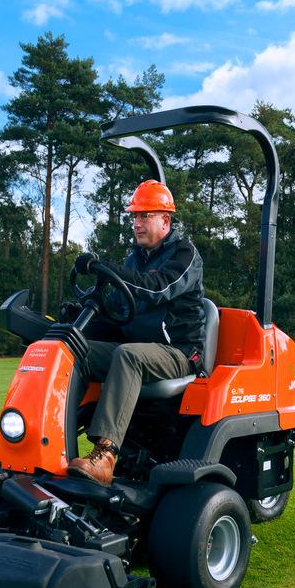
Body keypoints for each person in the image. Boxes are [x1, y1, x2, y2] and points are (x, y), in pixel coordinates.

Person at [67, 179, 206, 486]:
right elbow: (117, 302)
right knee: (73, 350)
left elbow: (158, 288)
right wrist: (86, 305)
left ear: (165, 220)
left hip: (179, 352)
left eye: (145, 216)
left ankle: (104, 454)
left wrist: (111, 270)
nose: (137, 223)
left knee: (127, 355)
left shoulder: (185, 255)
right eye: (134, 216)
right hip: (140, 347)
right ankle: (46, 437)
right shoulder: (135, 258)